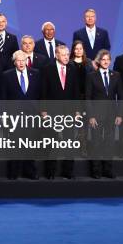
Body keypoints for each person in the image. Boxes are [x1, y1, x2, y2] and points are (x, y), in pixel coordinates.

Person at [0, 50, 42, 180]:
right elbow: (3, 97)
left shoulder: (35, 73)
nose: (21, 63)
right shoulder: (7, 75)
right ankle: (13, 172)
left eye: (23, 60)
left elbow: (39, 95)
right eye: (18, 60)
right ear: (14, 62)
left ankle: (30, 171)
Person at [41, 45, 79, 179]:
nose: (66, 57)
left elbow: (75, 91)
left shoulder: (72, 69)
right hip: (52, 111)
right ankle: (50, 172)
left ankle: (68, 171)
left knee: (69, 141)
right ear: (56, 55)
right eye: (63, 54)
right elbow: (43, 91)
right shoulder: (47, 70)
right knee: (52, 141)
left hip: (69, 112)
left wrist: (77, 111)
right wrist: (44, 110)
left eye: (68, 54)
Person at [85, 50, 123, 179]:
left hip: (112, 116)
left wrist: (119, 115)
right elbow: (88, 97)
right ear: (99, 61)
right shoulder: (91, 76)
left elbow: (121, 97)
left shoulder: (116, 75)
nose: (106, 61)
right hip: (96, 116)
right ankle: (96, 171)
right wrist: (90, 116)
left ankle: (108, 170)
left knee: (109, 143)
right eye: (103, 59)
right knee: (96, 143)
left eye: (108, 59)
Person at [70, 40, 95, 154]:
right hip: (73, 97)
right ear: (73, 50)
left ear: (83, 50)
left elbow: (94, 80)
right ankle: (73, 146)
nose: (78, 51)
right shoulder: (69, 63)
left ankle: (83, 148)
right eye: (76, 49)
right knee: (73, 123)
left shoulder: (89, 62)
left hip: (86, 97)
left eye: (80, 48)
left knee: (84, 123)